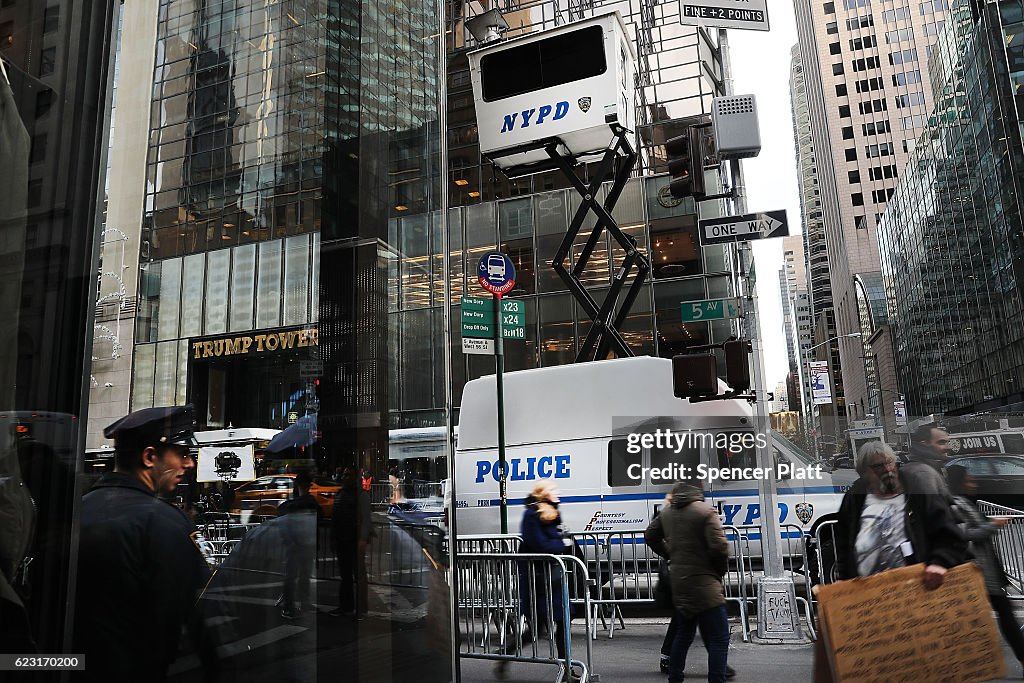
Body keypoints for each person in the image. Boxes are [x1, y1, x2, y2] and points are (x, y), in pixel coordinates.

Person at [73, 405, 216, 682]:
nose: (190, 464)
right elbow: (201, 615)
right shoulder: (167, 522)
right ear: (150, 457)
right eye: (182, 454)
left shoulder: (77, 509)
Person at [834, 441, 966, 588]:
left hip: (915, 587)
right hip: (869, 593)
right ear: (864, 472)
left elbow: (949, 534)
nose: (887, 469)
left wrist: (939, 563)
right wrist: (845, 579)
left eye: (890, 462)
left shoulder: (918, 491)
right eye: (878, 466)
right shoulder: (854, 499)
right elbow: (843, 544)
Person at [645, 480, 730, 683]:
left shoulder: (667, 512)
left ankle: (675, 678)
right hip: (705, 584)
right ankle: (717, 680)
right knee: (719, 638)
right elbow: (720, 548)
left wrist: (669, 554)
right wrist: (719, 571)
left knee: (683, 634)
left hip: (680, 583)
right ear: (698, 490)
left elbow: (650, 535)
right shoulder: (705, 512)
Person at [496, 480, 578, 681]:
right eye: (552, 490)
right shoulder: (531, 515)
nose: (557, 492)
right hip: (538, 582)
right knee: (537, 629)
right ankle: (504, 654)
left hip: (555, 581)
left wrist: (563, 542)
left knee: (563, 622)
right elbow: (539, 545)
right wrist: (563, 543)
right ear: (543, 494)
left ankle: (566, 670)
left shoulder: (554, 514)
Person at [947, 465, 1024, 672]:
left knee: (1001, 617)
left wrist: (990, 522)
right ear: (960, 483)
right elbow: (965, 534)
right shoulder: (956, 504)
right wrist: (994, 525)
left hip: (987, 571)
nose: (974, 484)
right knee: (1005, 617)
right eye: (970, 481)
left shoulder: (966, 502)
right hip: (979, 573)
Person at [277, 471, 320, 619]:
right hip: (299, 544)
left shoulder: (294, 503)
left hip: (299, 544)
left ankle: (297, 603)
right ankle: (292, 604)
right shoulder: (305, 502)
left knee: (298, 575)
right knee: (296, 575)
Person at [330, 468, 371, 618]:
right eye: (344, 474)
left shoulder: (361, 495)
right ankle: (346, 606)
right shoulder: (340, 494)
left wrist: (363, 539)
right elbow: (335, 518)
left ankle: (361, 609)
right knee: (345, 576)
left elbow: (366, 519)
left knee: (358, 576)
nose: (344, 477)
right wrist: (333, 538)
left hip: (354, 540)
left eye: (348, 474)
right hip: (343, 540)